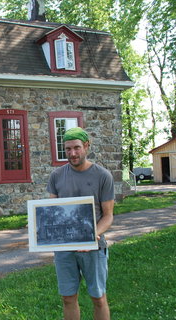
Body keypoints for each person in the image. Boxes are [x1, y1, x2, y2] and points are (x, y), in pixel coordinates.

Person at [46, 127, 115, 320]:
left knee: (98, 298)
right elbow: (53, 211)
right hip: (64, 247)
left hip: (93, 246)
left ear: (86, 146)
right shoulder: (57, 175)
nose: (72, 153)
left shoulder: (103, 176)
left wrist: (92, 235)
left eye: (76, 148)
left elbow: (108, 216)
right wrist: (39, 220)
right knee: (68, 298)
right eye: (68, 149)